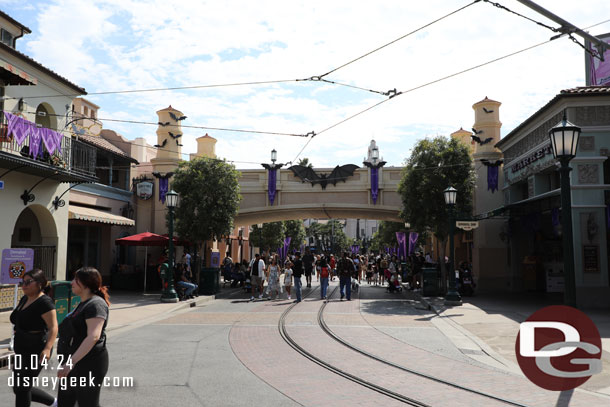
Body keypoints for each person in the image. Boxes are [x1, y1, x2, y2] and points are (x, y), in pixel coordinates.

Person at [57, 267, 110, 407]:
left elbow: (93, 336)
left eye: (75, 279)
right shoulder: (82, 303)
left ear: (86, 283)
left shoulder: (96, 304)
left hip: (89, 363)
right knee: (65, 402)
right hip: (75, 360)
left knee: (87, 403)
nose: (71, 283)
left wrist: (70, 363)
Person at [10, 269, 57, 407]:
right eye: (23, 282)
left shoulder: (45, 302)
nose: (24, 285)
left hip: (36, 348)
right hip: (21, 347)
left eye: (28, 282)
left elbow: (53, 327)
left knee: (23, 387)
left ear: (40, 284)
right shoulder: (25, 298)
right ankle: (54, 402)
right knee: (18, 387)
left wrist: (48, 348)